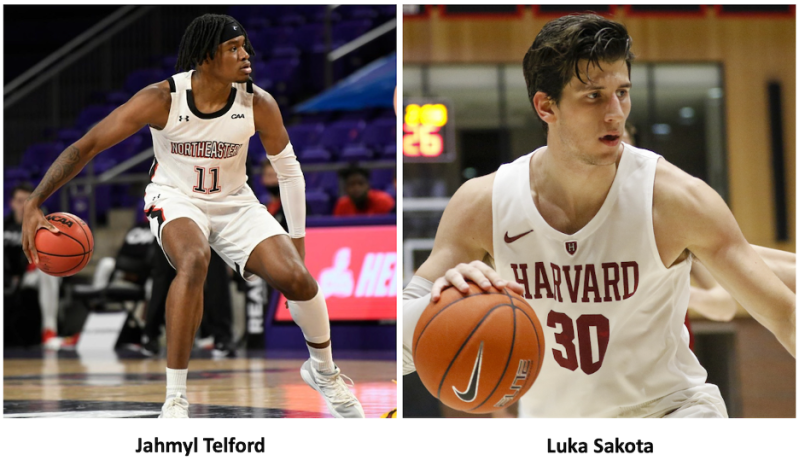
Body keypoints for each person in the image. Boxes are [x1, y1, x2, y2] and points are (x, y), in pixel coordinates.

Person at [402, 14, 795, 418]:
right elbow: (401, 348)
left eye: (622, 92)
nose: (615, 113)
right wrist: (439, 302)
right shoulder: (483, 204)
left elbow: (784, 313)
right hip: (558, 430)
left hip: (673, 414)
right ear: (545, 106)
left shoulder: (676, 199)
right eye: (593, 96)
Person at [22, 14, 363, 418]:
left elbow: (289, 171)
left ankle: (323, 371)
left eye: (245, 46)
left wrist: (298, 240)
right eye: (233, 48)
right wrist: (35, 201)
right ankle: (176, 398)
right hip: (175, 197)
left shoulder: (259, 102)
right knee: (194, 259)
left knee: (299, 279)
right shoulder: (161, 98)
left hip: (235, 202)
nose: (245, 54)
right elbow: (88, 145)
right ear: (205, 58)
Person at [4, 183, 72, 349]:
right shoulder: (4, 225)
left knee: (47, 271)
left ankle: (49, 332)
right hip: (7, 277)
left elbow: (51, 253)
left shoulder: (43, 224)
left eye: (27, 201)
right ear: (11, 203)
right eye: (19, 201)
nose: (23, 206)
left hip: (31, 274)